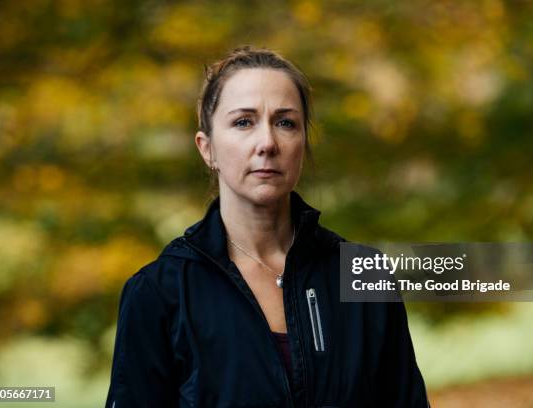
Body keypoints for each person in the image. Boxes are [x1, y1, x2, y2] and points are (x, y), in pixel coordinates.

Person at [105, 46, 429, 407]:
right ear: (207, 148)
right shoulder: (159, 293)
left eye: (285, 122)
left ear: (303, 143)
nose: (267, 143)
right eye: (243, 122)